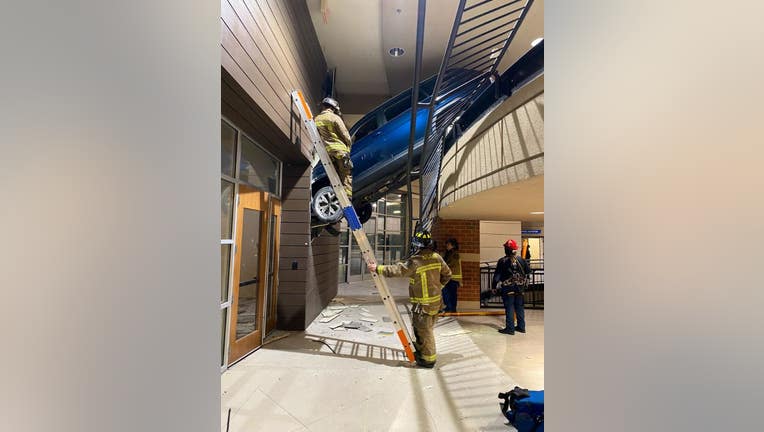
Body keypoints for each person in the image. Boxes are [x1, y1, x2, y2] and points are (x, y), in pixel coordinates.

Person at [367, 230, 451, 368]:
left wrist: (377, 268)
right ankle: (422, 353)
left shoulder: (416, 261)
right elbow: (448, 274)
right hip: (436, 303)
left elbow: (398, 270)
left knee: (424, 332)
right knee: (425, 330)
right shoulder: (437, 257)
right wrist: (438, 287)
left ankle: (428, 360)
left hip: (423, 306)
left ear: (417, 245)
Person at [314, 97, 353, 198]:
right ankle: (347, 199)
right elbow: (345, 135)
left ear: (323, 106)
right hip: (340, 151)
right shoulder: (335, 118)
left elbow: (318, 136)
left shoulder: (317, 119)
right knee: (346, 176)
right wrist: (349, 146)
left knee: (334, 177)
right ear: (333, 108)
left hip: (328, 153)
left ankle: (334, 198)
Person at [493, 239, 531, 335]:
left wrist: (493, 286)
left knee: (509, 307)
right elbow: (528, 272)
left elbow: (497, 276)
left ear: (506, 249)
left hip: (508, 288)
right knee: (519, 307)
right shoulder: (521, 260)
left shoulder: (502, 261)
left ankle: (510, 329)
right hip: (520, 288)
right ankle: (521, 327)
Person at [442, 238, 462, 313]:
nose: (446, 245)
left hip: (453, 278)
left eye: (448, 244)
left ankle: (452, 308)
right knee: (446, 293)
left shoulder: (455, 254)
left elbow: (451, 264)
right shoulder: (448, 253)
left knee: (451, 294)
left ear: (453, 245)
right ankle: (449, 307)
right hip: (448, 277)